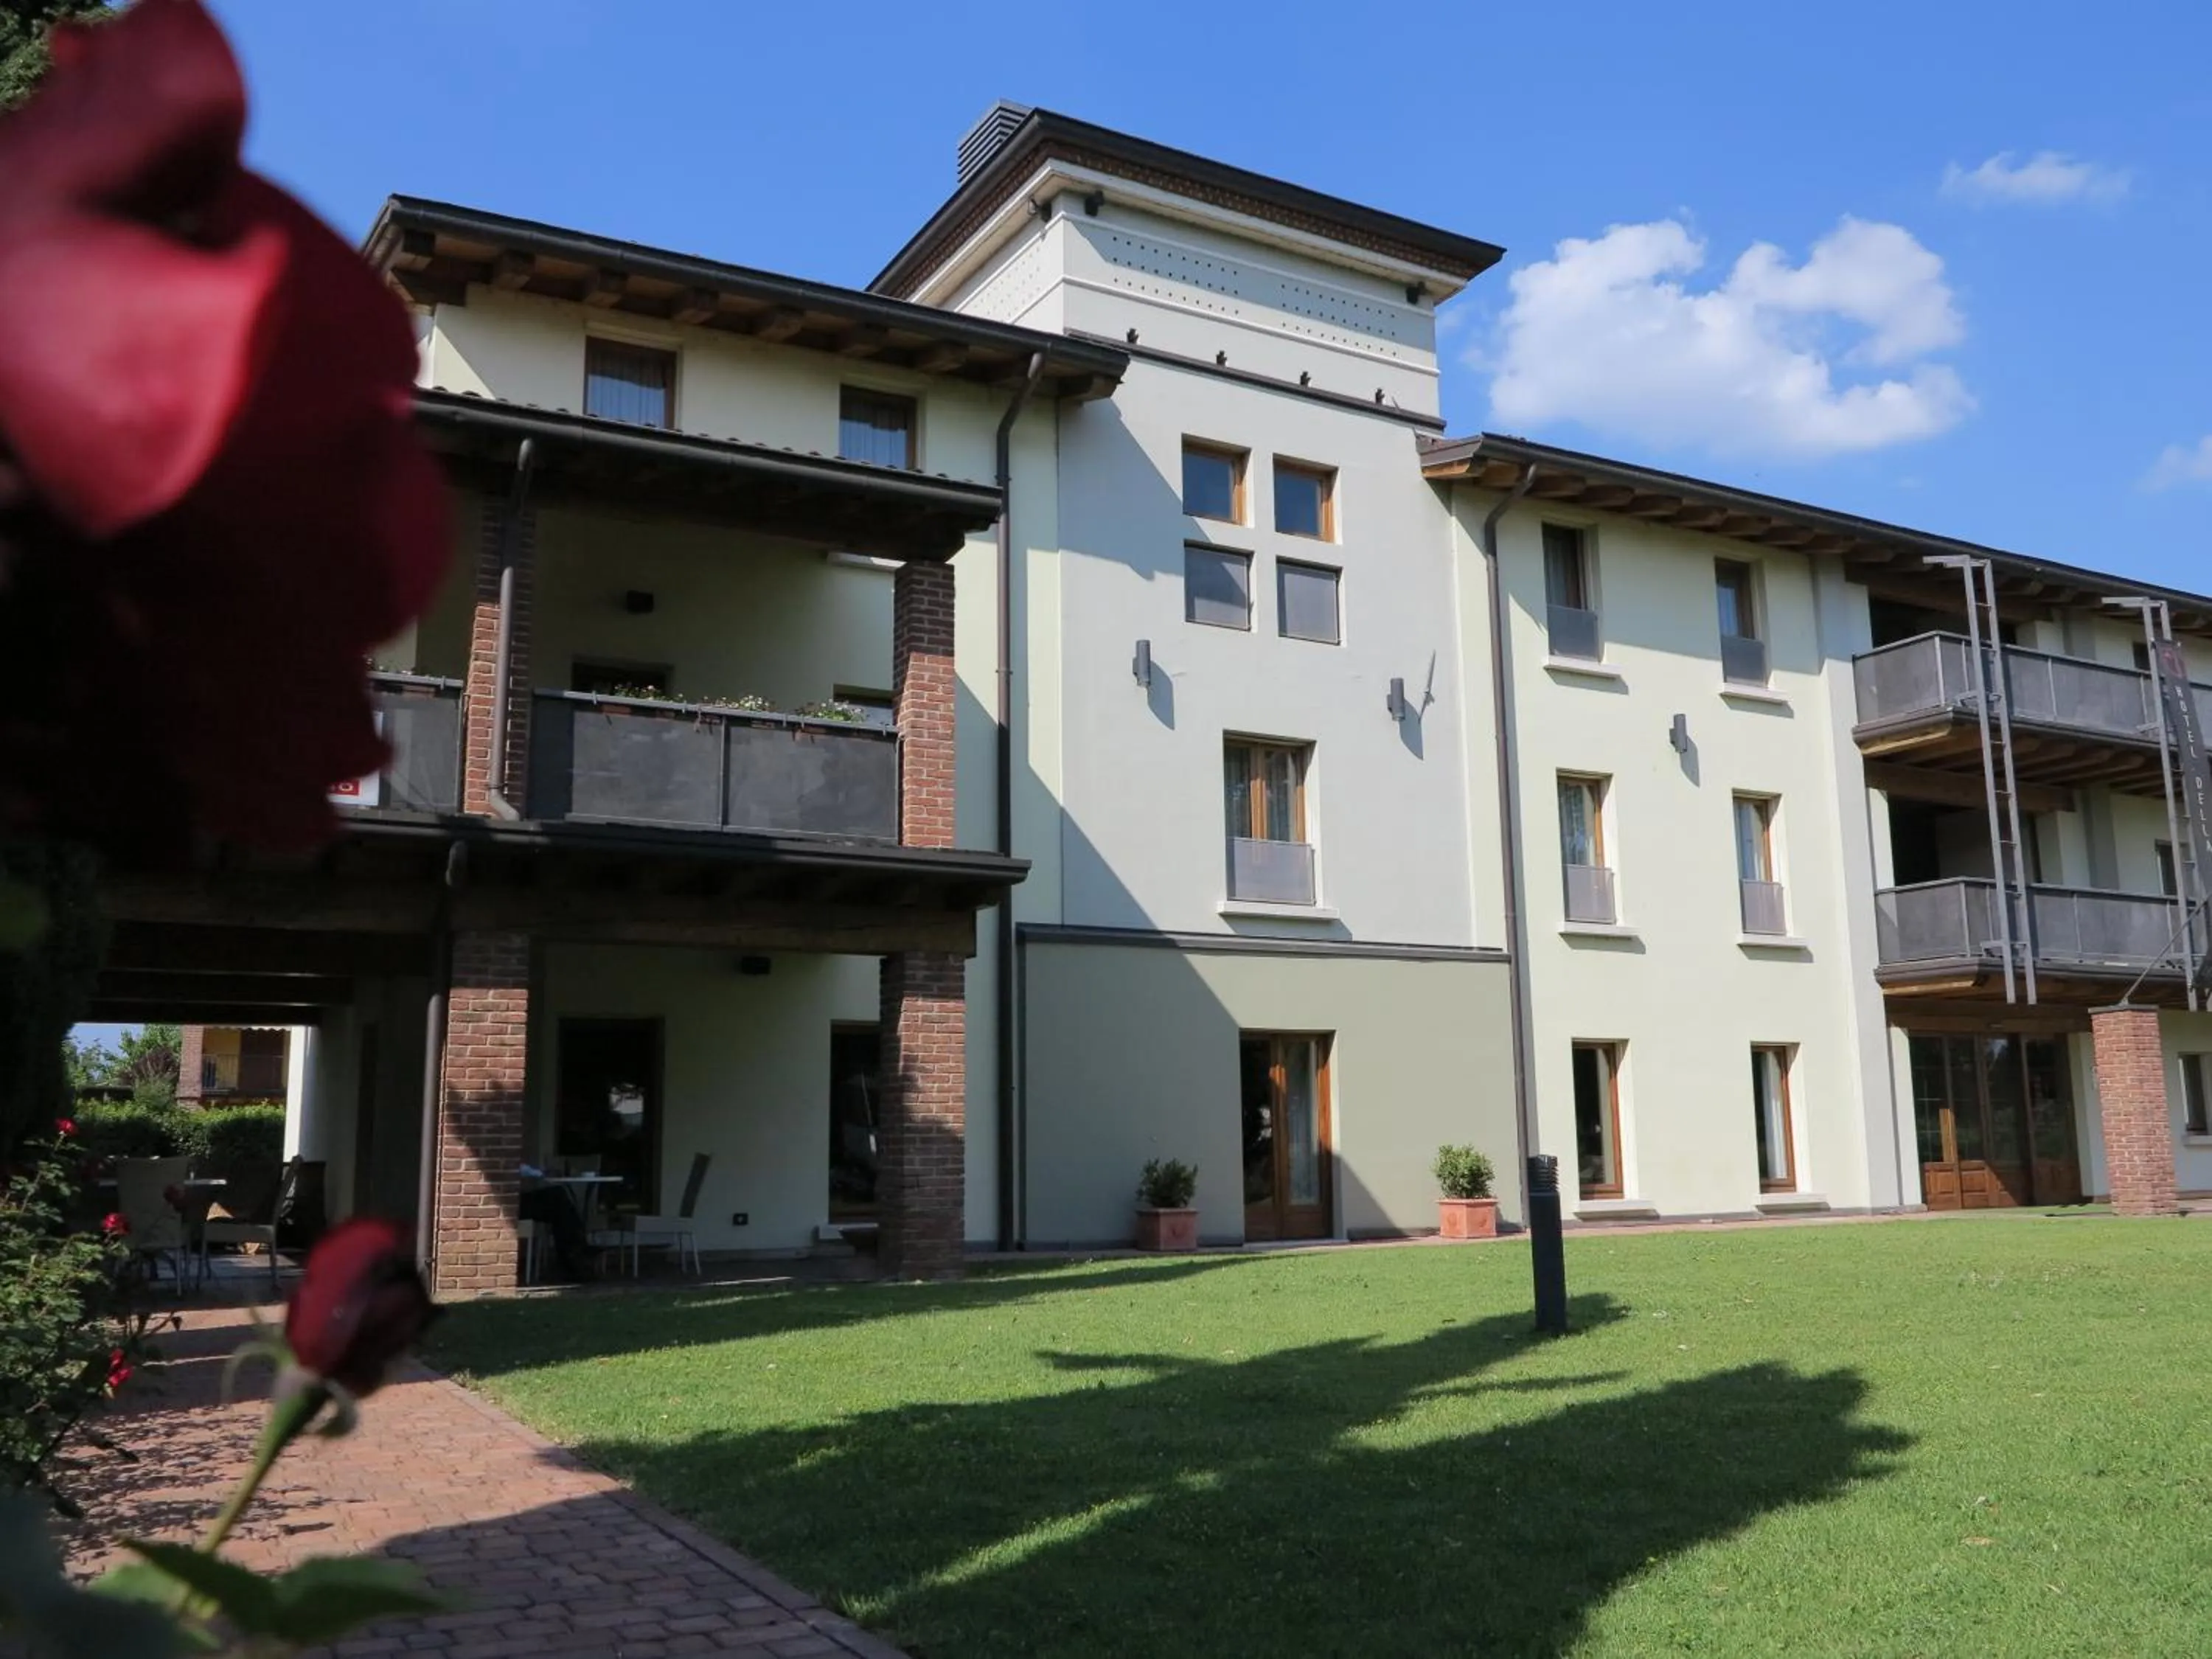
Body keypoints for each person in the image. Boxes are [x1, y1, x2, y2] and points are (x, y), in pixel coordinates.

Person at [518, 1167, 595, 1281]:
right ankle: (575, 1257)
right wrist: (540, 1173)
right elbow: (513, 1168)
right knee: (559, 1200)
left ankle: (574, 1258)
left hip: (515, 1200)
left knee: (560, 1205)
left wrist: (541, 1173)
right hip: (507, 1203)